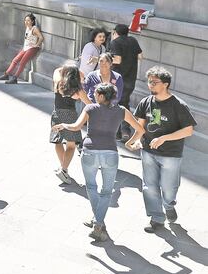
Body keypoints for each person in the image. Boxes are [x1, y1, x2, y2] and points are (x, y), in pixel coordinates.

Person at [53, 83, 145, 242]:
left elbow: (75, 127)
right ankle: (98, 222)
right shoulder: (122, 111)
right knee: (107, 191)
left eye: (95, 94)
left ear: (102, 96)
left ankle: (98, 222)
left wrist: (63, 125)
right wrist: (130, 143)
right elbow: (141, 130)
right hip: (110, 153)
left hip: (89, 152)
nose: (93, 96)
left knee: (91, 187)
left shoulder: (90, 109)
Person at [132, 67, 198, 232]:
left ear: (166, 84)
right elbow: (141, 126)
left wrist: (164, 138)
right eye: (149, 81)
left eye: (154, 82)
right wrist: (136, 140)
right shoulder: (146, 102)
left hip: (170, 154)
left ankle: (168, 205)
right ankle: (156, 218)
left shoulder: (178, 105)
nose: (150, 85)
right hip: (148, 151)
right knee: (149, 186)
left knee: (168, 188)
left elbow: (188, 130)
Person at [51, 62, 89, 185]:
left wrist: (69, 68)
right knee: (71, 145)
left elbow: (57, 69)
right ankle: (64, 169)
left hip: (56, 114)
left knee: (57, 141)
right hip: (70, 116)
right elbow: (90, 104)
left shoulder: (58, 83)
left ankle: (63, 167)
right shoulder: (78, 90)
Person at [0, 14, 44, 84]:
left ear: (32, 21)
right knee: (15, 60)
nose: (26, 22)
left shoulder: (34, 29)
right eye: (25, 20)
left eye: (28, 20)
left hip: (32, 48)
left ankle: (15, 78)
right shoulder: (27, 28)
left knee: (22, 62)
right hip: (26, 47)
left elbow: (41, 38)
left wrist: (36, 45)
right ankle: (6, 74)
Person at [109, 23, 143, 112]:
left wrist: (106, 59)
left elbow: (118, 60)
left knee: (116, 101)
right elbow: (140, 56)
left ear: (115, 32)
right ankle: (124, 124)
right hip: (131, 77)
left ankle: (122, 124)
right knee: (124, 101)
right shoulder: (133, 40)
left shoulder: (115, 42)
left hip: (118, 78)